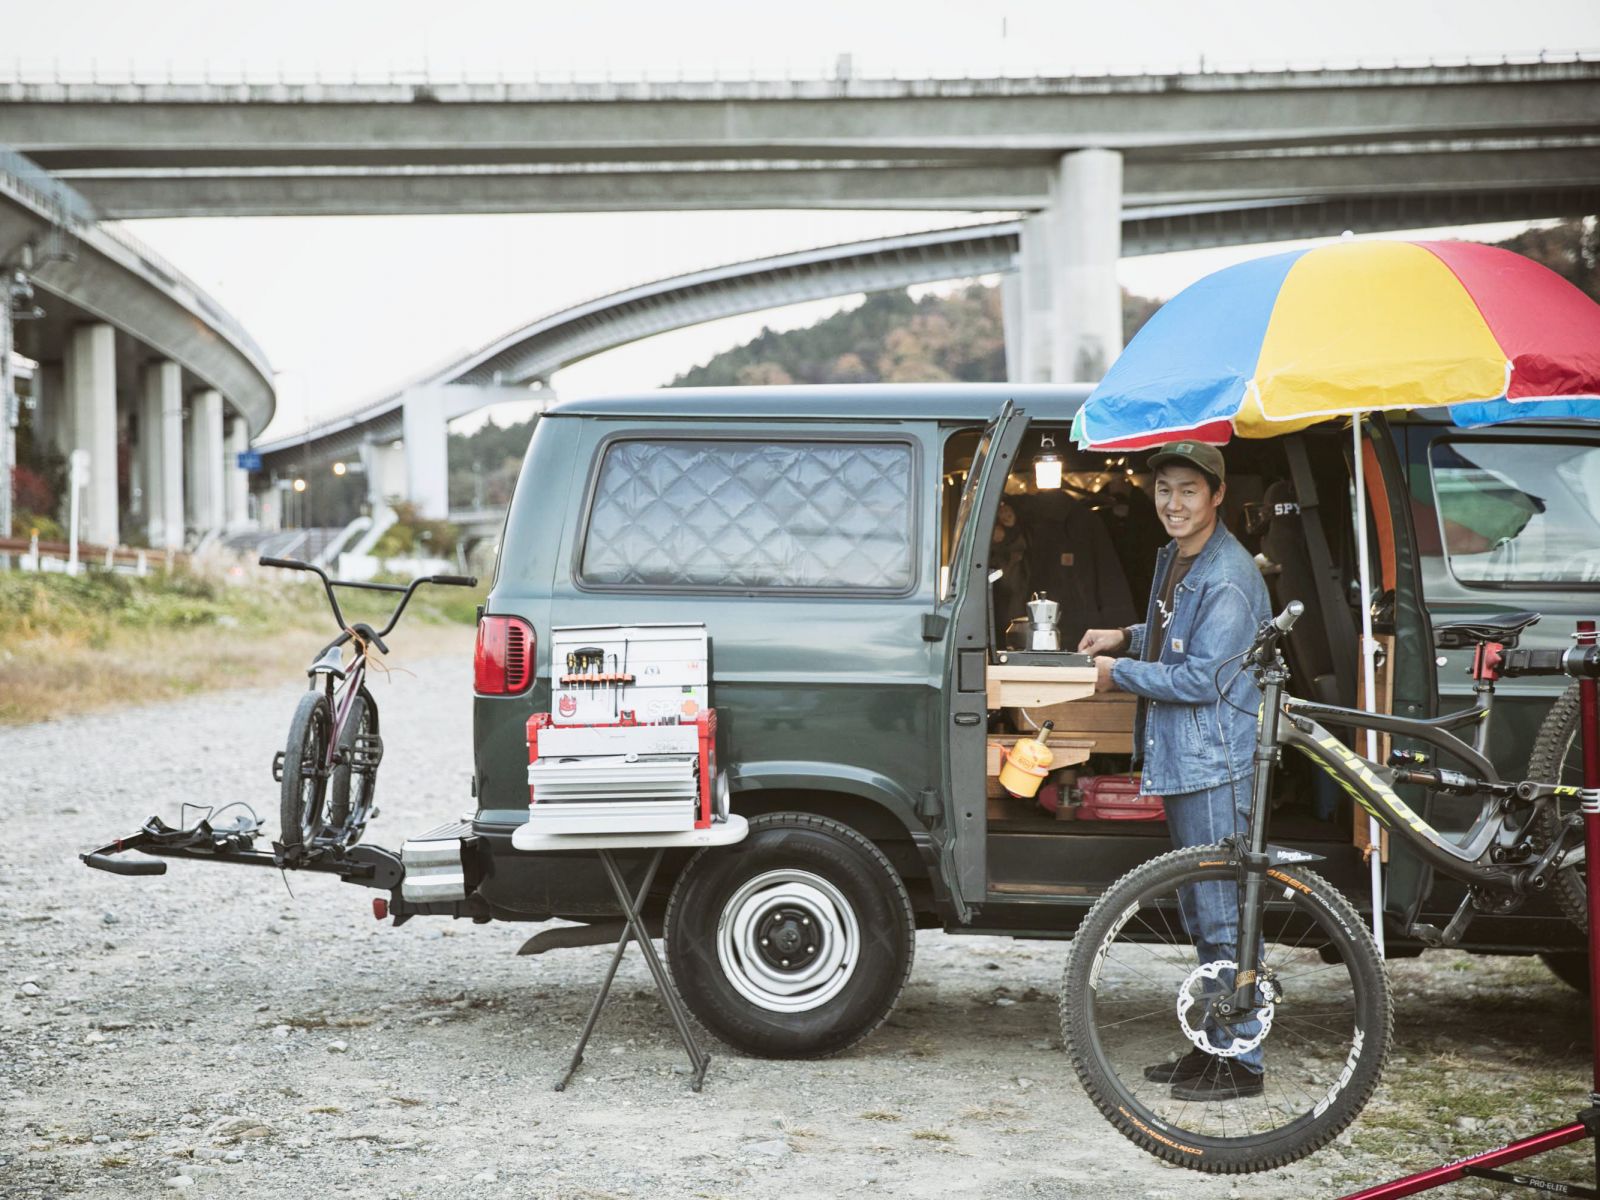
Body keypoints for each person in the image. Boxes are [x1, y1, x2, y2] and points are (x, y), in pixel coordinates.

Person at [1078, 440, 1272, 1101]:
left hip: (1214, 759)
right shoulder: (1177, 557)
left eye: (1189, 490)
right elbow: (1175, 632)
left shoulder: (1229, 576)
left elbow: (1201, 678)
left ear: (1217, 495)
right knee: (1199, 909)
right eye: (1164, 489)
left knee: (1221, 913)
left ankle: (1240, 1063)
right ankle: (1212, 1043)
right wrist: (1124, 637)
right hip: (1186, 757)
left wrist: (1117, 673)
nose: (1173, 503)